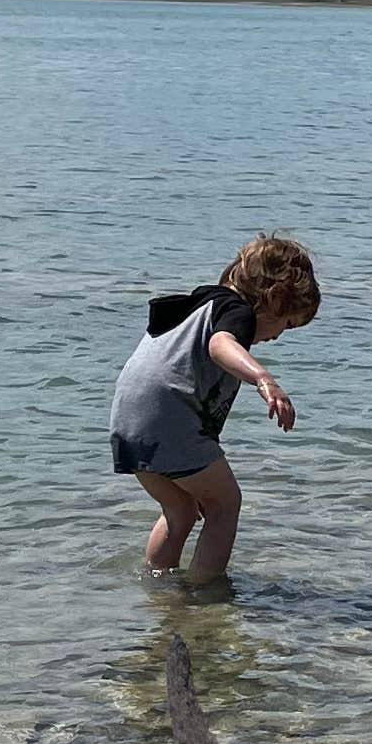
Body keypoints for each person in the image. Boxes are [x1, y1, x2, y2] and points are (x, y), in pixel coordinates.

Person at [110, 233, 318, 583]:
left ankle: (159, 590)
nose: (279, 336)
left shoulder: (197, 307)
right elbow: (220, 346)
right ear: (275, 298)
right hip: (169, 420)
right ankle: (204, 597)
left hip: (128, 423)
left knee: (180, 511)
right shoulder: (236, 312)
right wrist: (263, 379)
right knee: (225, 505)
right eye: (287, 323)